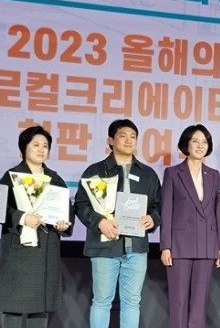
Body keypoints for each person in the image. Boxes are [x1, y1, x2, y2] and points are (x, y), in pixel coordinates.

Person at [74, 119, 161, 328]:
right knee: (102, 301)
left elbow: (158, 205)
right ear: (111, 141)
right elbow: (81, 204)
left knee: (132, 302)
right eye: (123, 136)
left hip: (136, 247)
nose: (129, 140)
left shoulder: (148, 174)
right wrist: (99, 222)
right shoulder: (95, 171)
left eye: (133, 137)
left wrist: (153, 218)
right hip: (105, 245)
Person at [0, 126, 72, 328]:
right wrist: (22, 217)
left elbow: (67, 210)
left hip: (46, 248)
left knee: (40, 306)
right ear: (24, 148)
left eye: (45, 146)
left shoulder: (55, 178)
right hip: (18, 249)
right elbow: (0, 208)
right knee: (12, 305)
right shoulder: (11, 176)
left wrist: (63, 223)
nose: (41, 149)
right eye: (36, 145)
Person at [160, 124, 220, 328]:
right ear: (186, 144)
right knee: (179, 303)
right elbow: (166, 210)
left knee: (199, 305)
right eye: (195, 141)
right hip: (179, 245)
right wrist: (165, 246)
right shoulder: (173, 173)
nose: (200, 145)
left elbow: (219, 211)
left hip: (207, 244)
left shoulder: (214, 174)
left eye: (204, 142)